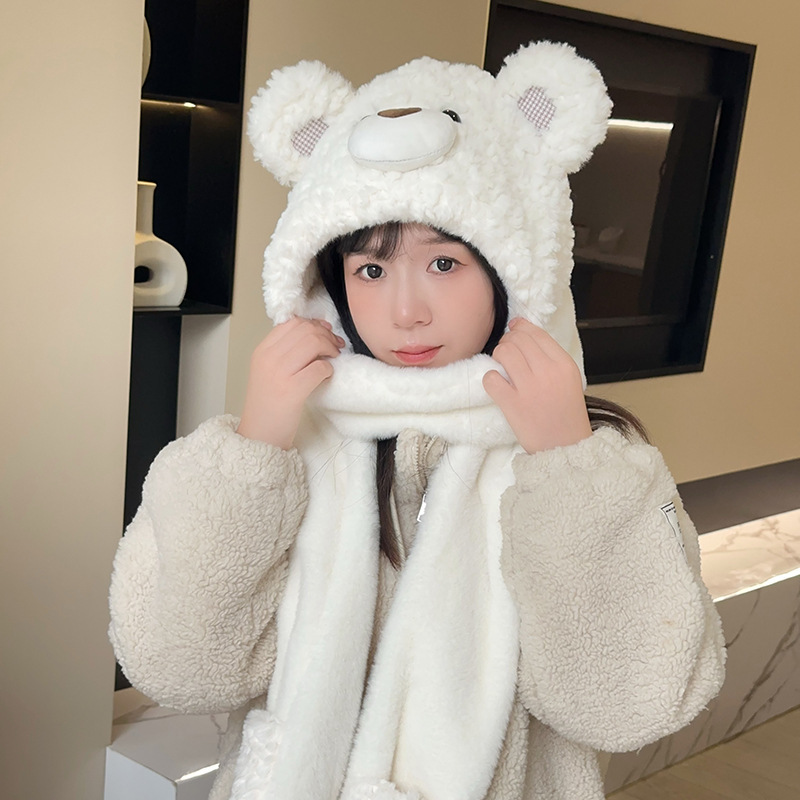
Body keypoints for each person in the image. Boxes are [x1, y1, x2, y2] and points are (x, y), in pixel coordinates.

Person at [109, 43, 726, 800]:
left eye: (444, 263)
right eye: (370, 269)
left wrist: (568, 463)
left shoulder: (592, 458)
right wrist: (253, 450)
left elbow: (626, 706)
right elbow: (181, 668)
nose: (405, 312)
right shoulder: (292, 440)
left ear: (513, 267)